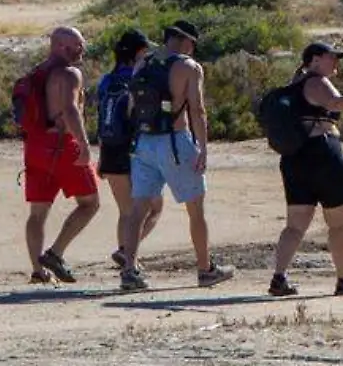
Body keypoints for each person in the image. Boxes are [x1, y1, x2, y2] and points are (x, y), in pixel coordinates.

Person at [267, 41, 343, 297]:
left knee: (295, 225)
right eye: (331, 57)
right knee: (338, 224)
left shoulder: (294, 85)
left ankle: (279, 277)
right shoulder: (316, 82)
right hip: (322, 157)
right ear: (314, 60)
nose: (336, 62)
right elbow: (335, 103)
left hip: (295, 159)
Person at [118, 20, 234, 291]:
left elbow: (132, 105)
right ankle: (205, 269)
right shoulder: (188, 67)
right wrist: (203, 147)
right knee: (196, 209)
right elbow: (197, 110)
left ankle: (129, 270)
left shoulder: (143, 62)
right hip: (174, 141)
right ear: (186, 41)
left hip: (144, 142)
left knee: (137, 209)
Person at [23, 26, 100, 284]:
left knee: (38, 213)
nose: (82, 51)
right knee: (90, 203)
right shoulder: (69, 74)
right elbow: (69, 109)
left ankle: (38, 270)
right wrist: (85, 144)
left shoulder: (37, 72)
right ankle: (55, 253)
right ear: (61, 47)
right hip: (62, 145)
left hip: (35, 146)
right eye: (77, 46)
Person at [94, 28, 159, 269]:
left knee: (126, 211)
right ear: (139, 52)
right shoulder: (138, 78)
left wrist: (101, 157)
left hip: (109, 149)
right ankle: (127, 252)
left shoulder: (107, 80)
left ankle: (127, 254)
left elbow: (102, 117)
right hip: (132, 150)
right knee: (154, 208)